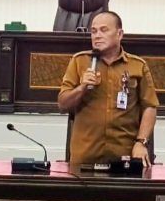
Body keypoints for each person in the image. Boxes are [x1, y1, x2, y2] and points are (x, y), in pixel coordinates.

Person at [59, 11, 158, 165]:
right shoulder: (79, 61)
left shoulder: (137, 66)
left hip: (125, 156)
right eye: (94, 31)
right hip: (85, 156)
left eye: (104, 30)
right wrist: (82, 87)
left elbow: (150, 107)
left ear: (119, 34)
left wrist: (141, 142)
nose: (97, 36)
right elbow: (63, 104)